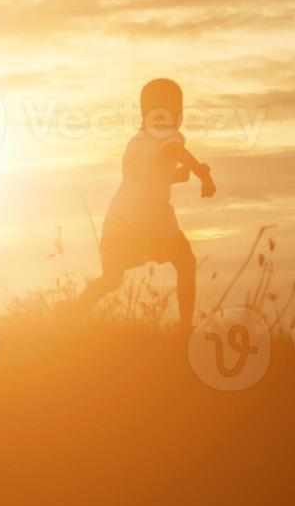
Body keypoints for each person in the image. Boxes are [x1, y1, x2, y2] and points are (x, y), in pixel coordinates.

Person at [70, 78, 216, 327]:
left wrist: (182, 174)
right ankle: (184, 329)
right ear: (177, 112)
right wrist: (203, 174)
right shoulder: (168, 134)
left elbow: (149, 177)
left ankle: (70, 312)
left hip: (120, 219)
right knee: (185, 262)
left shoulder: (137, 141)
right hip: (150, 219)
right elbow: (174, 152)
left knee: (112, 279)